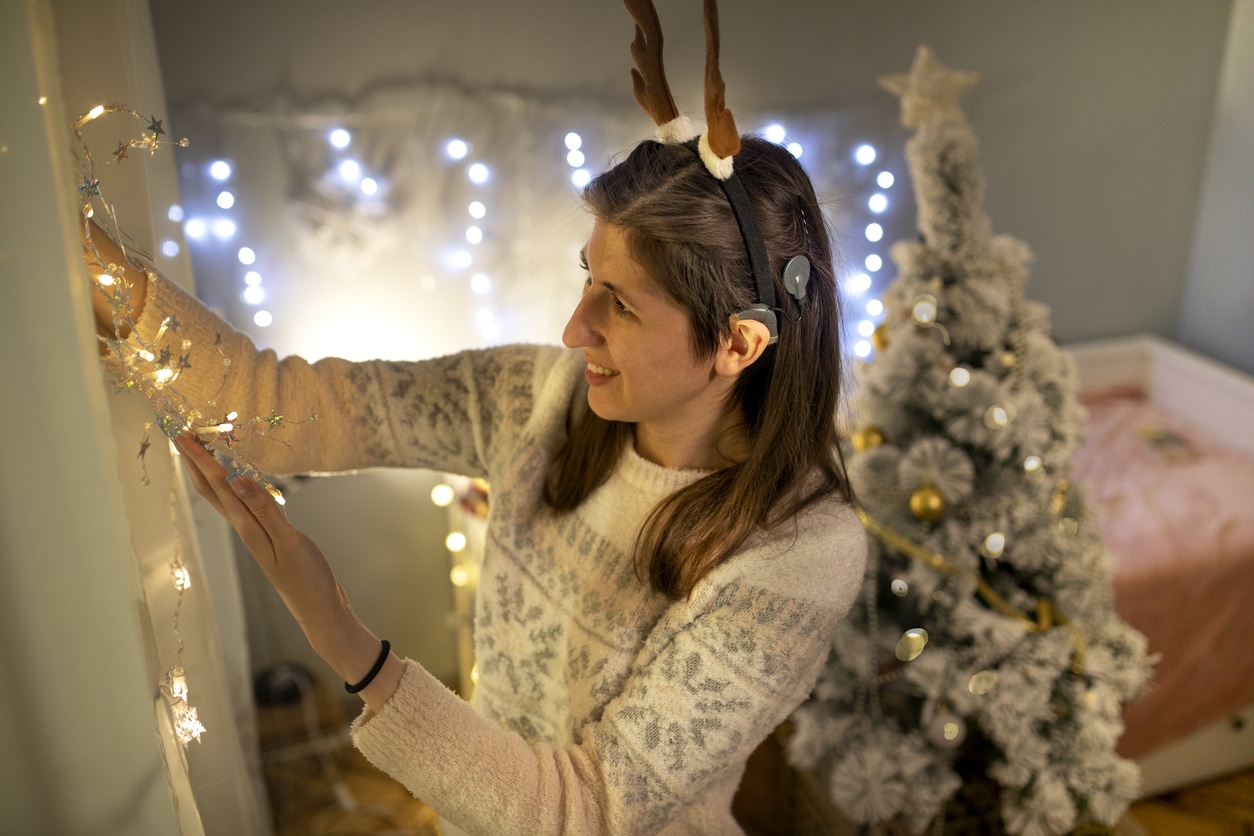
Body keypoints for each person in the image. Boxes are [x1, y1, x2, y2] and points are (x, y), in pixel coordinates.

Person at [87, 4, 866, 833]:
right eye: (585, 277)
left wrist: (343, 639)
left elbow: (588, 810)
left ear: (739, 343)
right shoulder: (537, 398)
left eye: (624, 308)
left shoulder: (800, 553)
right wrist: (85, 264)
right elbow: (275, 401)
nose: (576, 330)